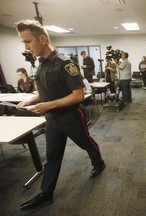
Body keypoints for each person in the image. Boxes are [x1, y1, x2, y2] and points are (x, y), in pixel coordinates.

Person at [15, 19, 105, 211]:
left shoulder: (65, 63)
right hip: (52, 120)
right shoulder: (42, 64)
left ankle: (99, 163)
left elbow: (78, 95)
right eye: (23, 42)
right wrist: (31, 101)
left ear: (42, 39)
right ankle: (46, 194)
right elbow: (46, 90)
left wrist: (47, 105)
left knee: (86, 144)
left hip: (71, 117)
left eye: (28, 41)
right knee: (52, 157)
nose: (26, 47)